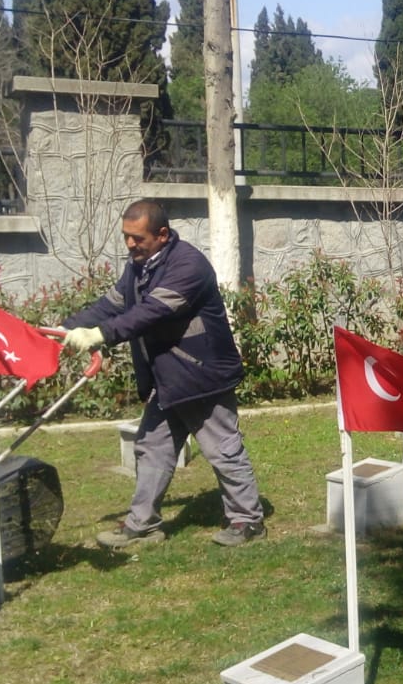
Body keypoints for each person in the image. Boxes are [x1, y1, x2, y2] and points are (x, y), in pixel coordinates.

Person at [63, 199, 266, 548]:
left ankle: (248, 521)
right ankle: (143, 524)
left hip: (201, 377)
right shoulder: (138, 266)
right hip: (168, 377)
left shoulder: (188, 265)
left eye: (137, 238)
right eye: (126, 237)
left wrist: (101, 335)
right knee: (152, 448)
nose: (129, 244)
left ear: (161, 234)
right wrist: (63, 329)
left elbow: (151, 312)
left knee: (222, 449)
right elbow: (111, 304)